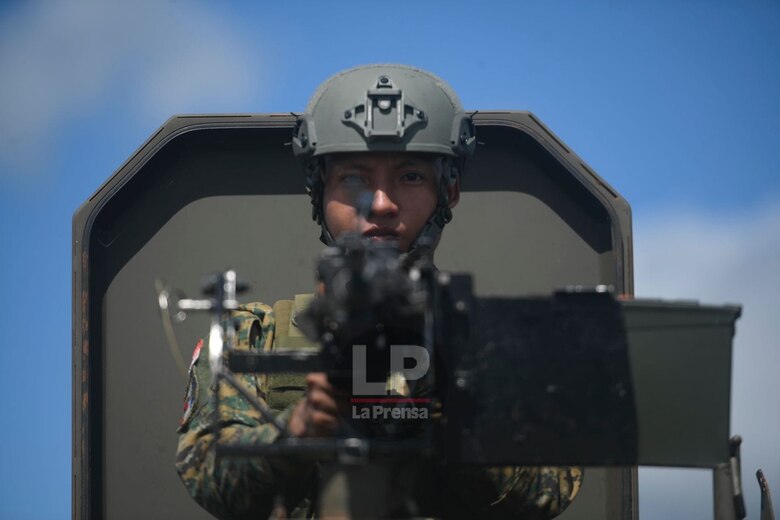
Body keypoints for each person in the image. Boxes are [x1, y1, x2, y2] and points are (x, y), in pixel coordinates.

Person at [176, 64, 583, 519]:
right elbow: (207, 475)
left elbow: (548, 490)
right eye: (354, 178)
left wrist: (449, 407)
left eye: (410, 177)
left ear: (448, 191)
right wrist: (299, 430)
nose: (383, 203)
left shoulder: (499, 345)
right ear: (318, 190)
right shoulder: (255, 335)